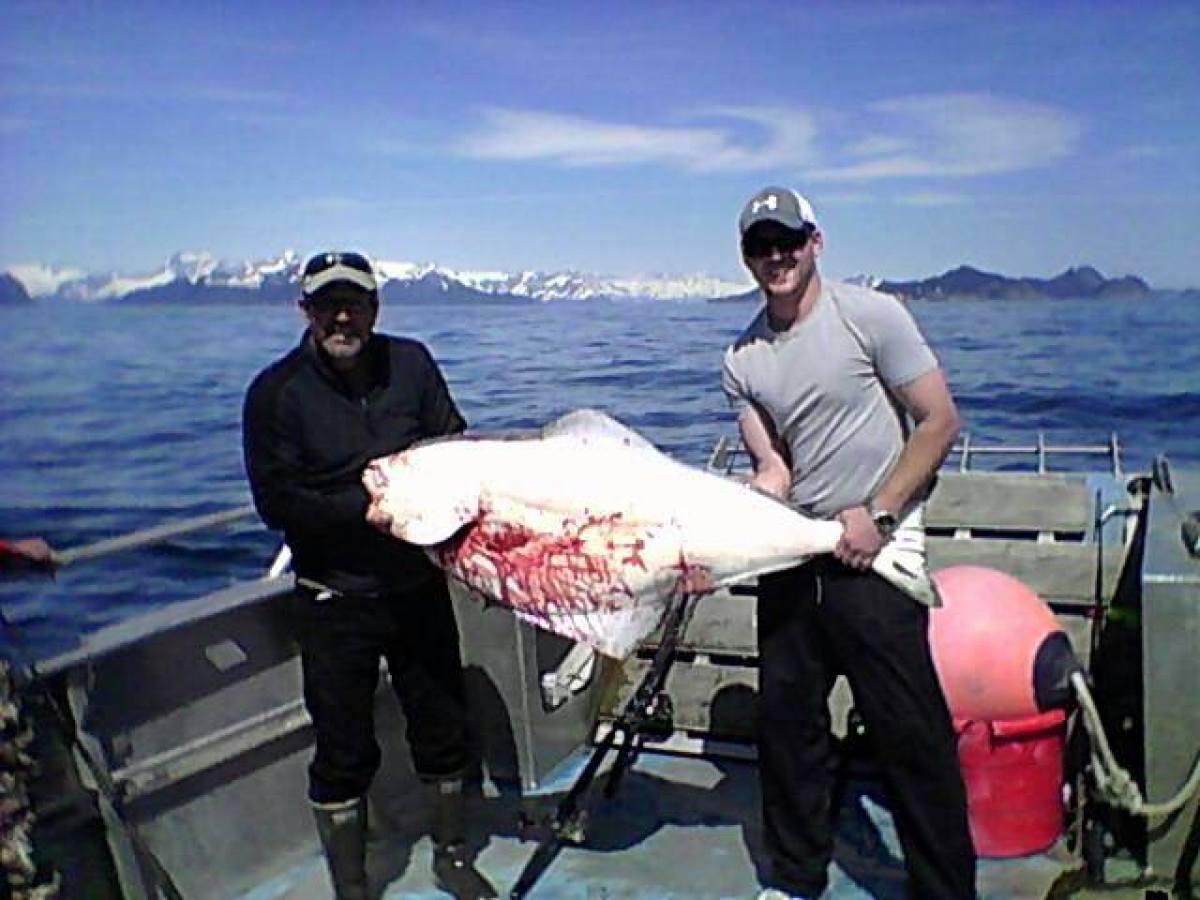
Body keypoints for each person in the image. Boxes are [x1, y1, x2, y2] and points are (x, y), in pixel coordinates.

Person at [721, 188, 976, 899]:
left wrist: (880, 513)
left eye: (788, 241)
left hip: (875, 558)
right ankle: (795, 878)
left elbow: (939, 421)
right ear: (746, 257)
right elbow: (774, 468)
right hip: (795, 557)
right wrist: (745, 505)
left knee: (912, 736)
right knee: (788, 729)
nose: (776, 256)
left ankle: (946, 892)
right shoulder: (740, 359)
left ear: (816, 242)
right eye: (761, 246)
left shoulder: (872, 316)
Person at [243, 251, 494, 899]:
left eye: (354, 303)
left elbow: (454, 446)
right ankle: (352, 886)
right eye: (328, 305)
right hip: (333, 599)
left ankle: (452, 856)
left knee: (444, 728)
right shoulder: (275, 393)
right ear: (305, 311)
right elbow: (277, 504)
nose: (342, 317)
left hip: (418, 588)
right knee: (343, 751)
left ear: (375, 308)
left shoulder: (411, 363)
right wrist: (373, 501)